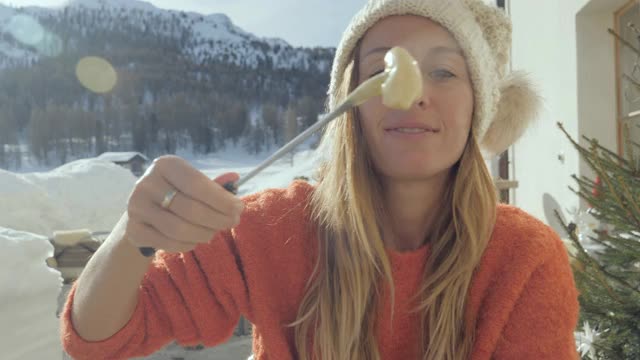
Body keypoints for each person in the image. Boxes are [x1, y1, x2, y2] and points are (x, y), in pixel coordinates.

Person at [60, 0, 580, 359]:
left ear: (477, 108)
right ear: (348, 107)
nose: (417, 94)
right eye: (384, 71)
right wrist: (135, 236)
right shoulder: (270, 228)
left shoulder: (523, 259)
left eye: (444, 72)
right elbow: (96, 339)